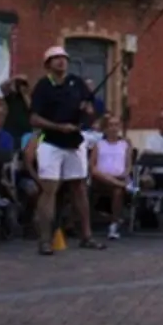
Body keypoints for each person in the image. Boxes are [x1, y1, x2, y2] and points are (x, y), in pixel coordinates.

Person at [29, 45, 105, 255]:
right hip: (51, 143)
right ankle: (45, 240)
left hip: (75, 142)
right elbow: (34, 118)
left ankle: (86, 236)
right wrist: (58, 126)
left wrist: (88, 112)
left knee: (79, 188)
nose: (61, 62)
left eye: (64, 58)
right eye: (56, 59)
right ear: (48, 64)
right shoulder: (43, 87)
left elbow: (92, 111)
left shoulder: (77, 83)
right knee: (49, 189)